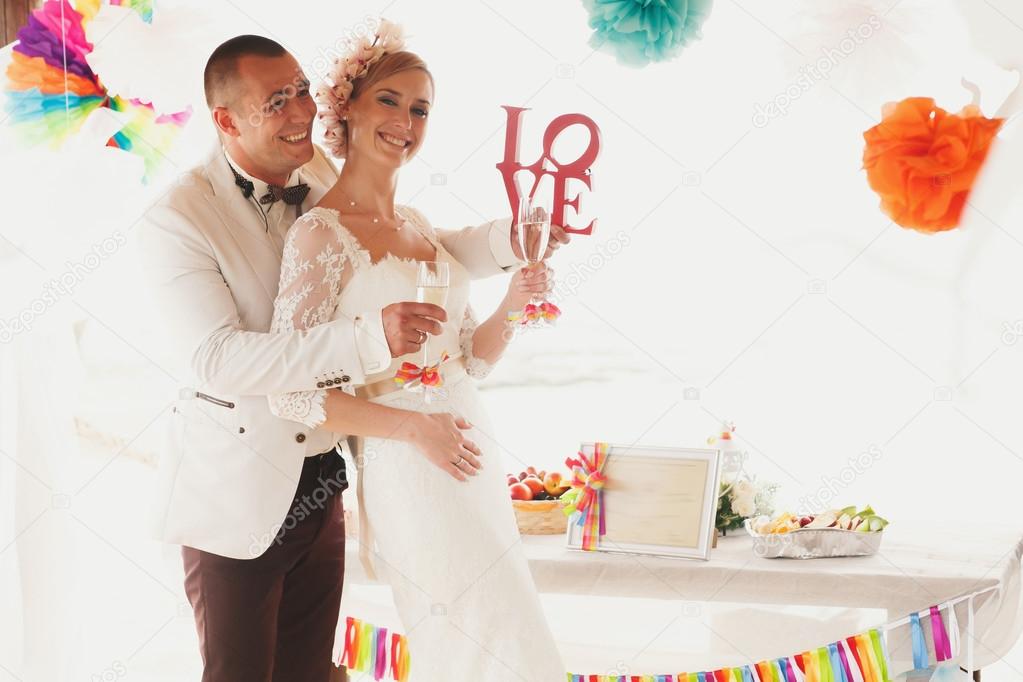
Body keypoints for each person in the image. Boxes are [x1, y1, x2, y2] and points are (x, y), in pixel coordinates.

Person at [135, 30, 567, 682]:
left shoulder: (316, 172)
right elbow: (218, 359)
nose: (302, 112)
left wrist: (516, 243)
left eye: (304, 90)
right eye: (276, 101)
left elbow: (417, 249)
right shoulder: (177, 216)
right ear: (225, 119)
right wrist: (373, 342)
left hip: (326, 475)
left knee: (315, 670)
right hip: (239, 485)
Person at [266, 20, 565, 681]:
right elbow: (290, 394)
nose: (406, 120)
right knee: (478, 640)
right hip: (409, 463)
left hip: (471, 448)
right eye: (389, 101)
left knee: (505, 632)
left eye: (420, 108)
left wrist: (515, 301)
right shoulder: (319, 237)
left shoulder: (420, 229)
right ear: (347, 109)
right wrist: (414, 429)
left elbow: (472, 361)